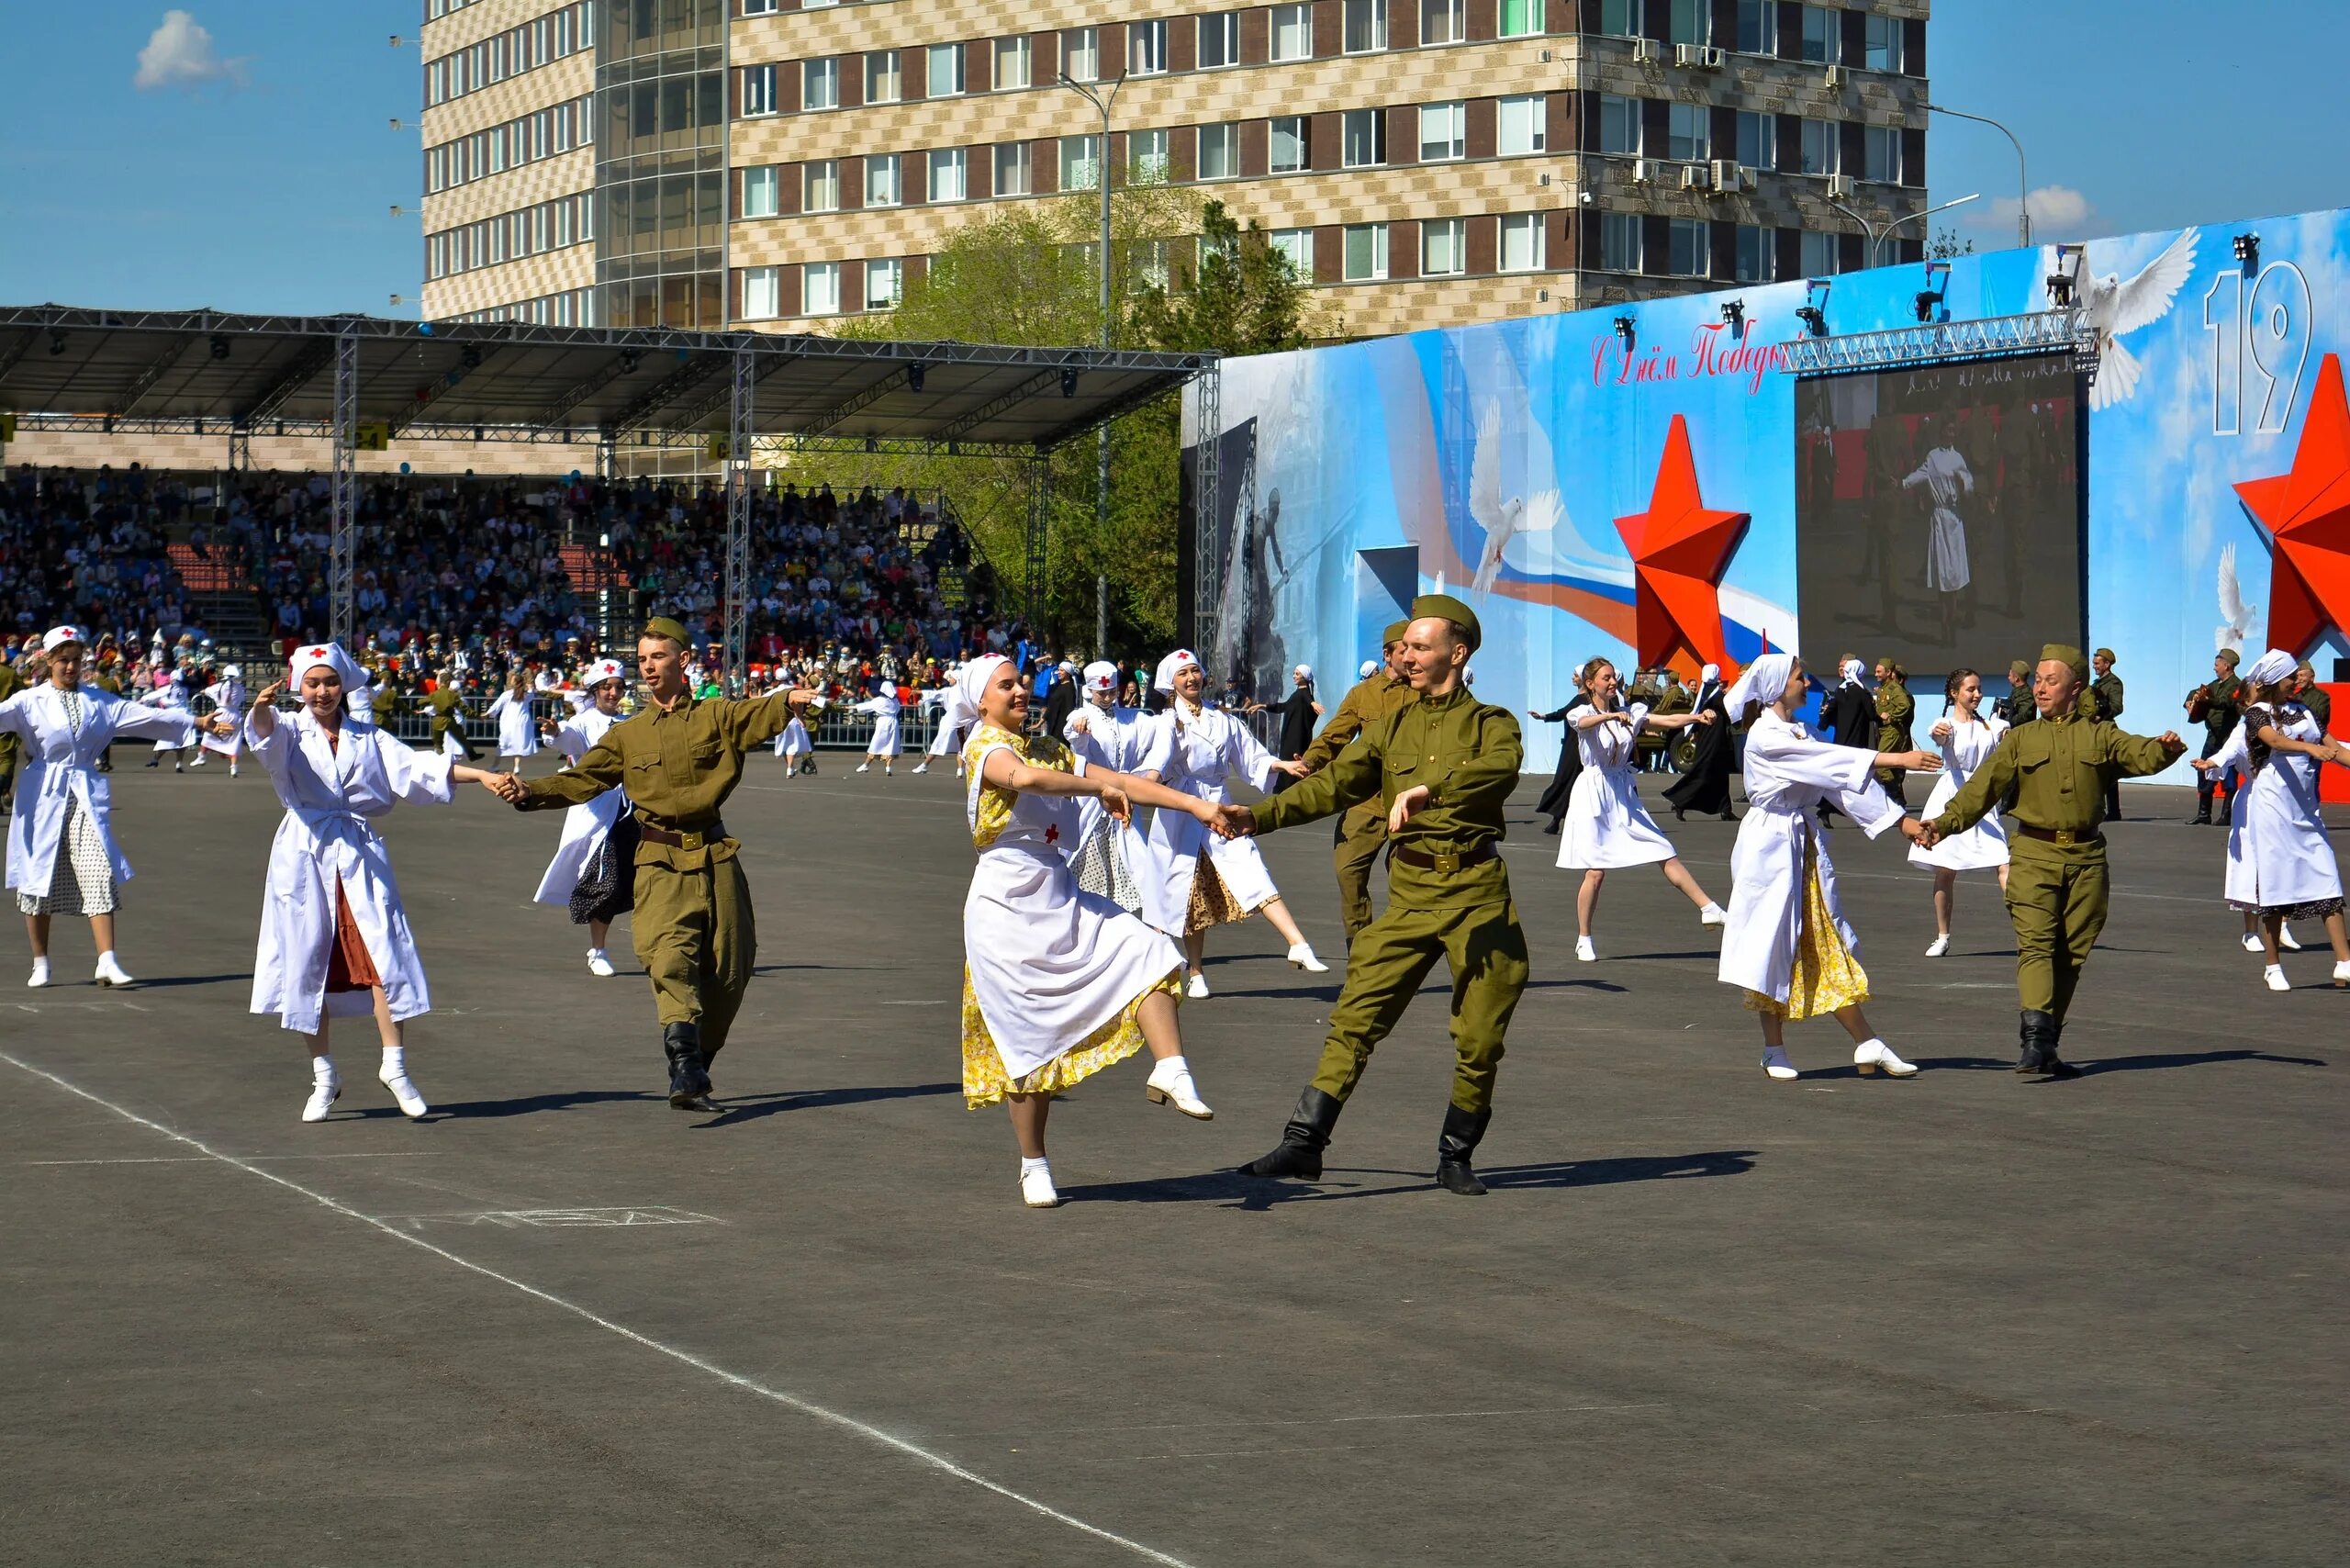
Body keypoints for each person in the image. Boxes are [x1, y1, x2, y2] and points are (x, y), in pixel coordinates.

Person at [1220, 596, 1528, 1196]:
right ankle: (1303, 1144)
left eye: (1418, 646)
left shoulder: (1493, 723)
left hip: (1478, 896)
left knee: (1480, 1037)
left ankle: (1456, 1154)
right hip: (1410, 895)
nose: (1404, 656)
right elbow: (1332, 786)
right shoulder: (1387, 729)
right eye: (1403, 647)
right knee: (1354, 1019)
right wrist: (1259, 818)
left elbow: (1501, 768)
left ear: (1455, 653)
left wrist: (1428, 791)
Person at [494, 618, 817, 1110]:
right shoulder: (629, 735)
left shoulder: (716, 716)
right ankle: (683, 1064)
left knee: (731, 967)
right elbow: (581, 780)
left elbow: (757, 713)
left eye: (657, 657)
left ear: (682, 661)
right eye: (642, 659)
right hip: (658, 861)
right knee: (668, 957)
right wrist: (529, 792)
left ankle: (700, 1061)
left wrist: (789, 700)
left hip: (715, 856)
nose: (647, 666)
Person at [956, 655, 1224, 1208]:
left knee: (1148, 949)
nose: (1020, 690)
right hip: (1004, 907)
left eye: (1021, 682)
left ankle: (1171, 1067)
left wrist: (1197, 806)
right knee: (1026, 1044)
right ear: (982, 700)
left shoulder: (1053, 749)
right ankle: (1034, 1163)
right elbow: (1023, 777)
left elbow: (1124, 782)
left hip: (1059, 891)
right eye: (1006, 685)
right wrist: (1090, 788)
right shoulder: (982, 744)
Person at [245, 644, 509, 1122]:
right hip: (304, 853)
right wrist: (260, 709)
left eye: (329, 682)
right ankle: (324, 1075)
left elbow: (422, 768)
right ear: (298, 688)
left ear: (343, 685)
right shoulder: (288, 730)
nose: (322, 692)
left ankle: (396, 1066)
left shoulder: (369, 737)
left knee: (386, 954)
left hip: (359, 853)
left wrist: (484, 776)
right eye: (312, 683)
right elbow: (264, 741)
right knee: (309, 963)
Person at [1926, 644, 2188, 1078]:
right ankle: (2033, 1041)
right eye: (2038, 680)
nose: (2041, 688)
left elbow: (2139, 754)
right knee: (2035, 945)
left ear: (2075, 688)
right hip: (2033, 854)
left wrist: (2166, 748)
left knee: (2072, 955)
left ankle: (2048, 1044)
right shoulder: (2022, 739)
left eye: (2051, 681)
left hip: (2087, 859)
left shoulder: (2100, 735)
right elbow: (1980, 791)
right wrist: (1942, 824)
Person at [1715, 653, 1941, 1081]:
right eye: (1800, 678)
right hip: (1770, 846)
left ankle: (1866, 1042)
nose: (1806, 683)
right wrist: (1896, 759)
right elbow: (1831, 763)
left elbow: (1837, 780)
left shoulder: (1800, 729)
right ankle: (1774, 1049)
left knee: (1822, 939)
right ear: (1780, 686)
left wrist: (1901, 822)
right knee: (1771, 943)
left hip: (1801, 848)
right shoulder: (1766, 735)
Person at [4, 627, 227, 989]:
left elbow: (147, 717)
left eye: (77, 660)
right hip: (42, 793)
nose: (71, 667)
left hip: (85, 791)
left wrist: (197, 722)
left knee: (98, 869)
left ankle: (107, 960)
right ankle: (40, 961)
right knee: (36, 879)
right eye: (63, 660)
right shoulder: (29, 701)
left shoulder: (99, 701)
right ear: (47, 661)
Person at [1136, 648, 1325, 996]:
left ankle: (1297, 942)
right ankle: (1196, 973)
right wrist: (1134, 787)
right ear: (1171, 683)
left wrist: (1283, 765)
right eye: (1183, 674)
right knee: (1186, 895)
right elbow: (1157, 765)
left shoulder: (1222, 719)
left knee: (1251, 867)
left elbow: (1249, 754)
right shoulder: (1167, 724)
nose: (1191, 678)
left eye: (1195, 671)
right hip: (1183, 810)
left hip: (1221, 806)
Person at [2190, 648, 2350, 991]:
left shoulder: (2305, 711)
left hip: (2305, 811)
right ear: (2276, 681)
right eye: (2291, 677)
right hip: (2271, 809)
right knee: (2275, 887)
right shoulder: (2256, 714)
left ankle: (2344, 962)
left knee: (2328, 880)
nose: (2298, 682)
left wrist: (2337, 755)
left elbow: (2333, 746)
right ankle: (2273, 964)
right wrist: (2310, 750)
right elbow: (2273, 741)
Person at [1554, 656, 1727, 960]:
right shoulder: (1582, 711)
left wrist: (1695, 718)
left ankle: (1708, 908)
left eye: (1613, 678)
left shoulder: (1631, 711)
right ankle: (1584, 937)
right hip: (1594, 792)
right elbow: (1581, 724)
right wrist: (1609, 718)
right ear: (1591, 683)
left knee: (1663, 849)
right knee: (1595, 872)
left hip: (1623, 791)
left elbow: (1665, 721)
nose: (1612, 682)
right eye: (1605, 678)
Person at [1295, 622, 1416, 944]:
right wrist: (1308, 763)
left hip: (1412, 805)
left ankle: (1397, 951)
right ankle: (1360, 951)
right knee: (1349, 872)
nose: (1412, 656)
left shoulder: (1427, 692)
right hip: (1368, 801)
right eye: (1405, 649)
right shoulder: (1364, 694)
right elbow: (1335, 734)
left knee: (1410, 884)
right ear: (1387, 654)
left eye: (1417, 648)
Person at [532, 658, 638, 978]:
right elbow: (567, 739)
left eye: (618, 687)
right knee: (603, 879)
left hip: (632, 809)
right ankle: (598, 949)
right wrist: (554, 732)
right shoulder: (583, 721)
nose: (613, 692)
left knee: (643, 881)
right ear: (595, 690)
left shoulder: (629, 722)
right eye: (607, 687)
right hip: (596, 811)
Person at [1909, 669, 2010, 957]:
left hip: (1981, 799)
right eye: (1970, 689)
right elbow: (1937, 733)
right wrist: (1937, 733)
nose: (1977, 694)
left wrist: (2009, 734)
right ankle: (1942, 936)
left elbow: (2005, 737)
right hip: (1952, 796)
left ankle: (2030, 933)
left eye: (1979, 689)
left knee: (2004, 863)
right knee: (1945, 871)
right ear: (1955, 694)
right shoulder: (1946, 724)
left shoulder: (1992, 726)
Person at [1062, 659, 1158, 913]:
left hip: (1123, 799)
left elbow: (1157, 728)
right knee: (1084, 862)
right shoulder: (1083, 715)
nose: (1106, 697)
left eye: (1111, 692)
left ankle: (1148, 928)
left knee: (1137, 862)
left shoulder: (1130, 717)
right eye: (1101, 692)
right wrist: (1078, 728)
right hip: (1093, 801)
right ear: (1089, 692)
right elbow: (1074, 733)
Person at [1664, 661, 1737, 822]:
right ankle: (1679, 801)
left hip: (1709, 738)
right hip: (1714, 740)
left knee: (1720, 774)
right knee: (1705, 772)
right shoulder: (1716, 694)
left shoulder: (1705, 692)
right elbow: (1728, 711)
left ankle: (1725, 809)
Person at [2186, 650, 2245, 825]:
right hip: (2212, 735)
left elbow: (2226, 702)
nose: (2214, 668)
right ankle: (2204, 814)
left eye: (2217, 664)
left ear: (2226, 665)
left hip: (2228, 736)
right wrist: (2191, 700)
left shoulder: (2237, 685)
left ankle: (2226, 815)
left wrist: (2206, 699)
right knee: (2203, 770)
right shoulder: (2215, 684)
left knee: (2229, 776)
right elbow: (2195, 692)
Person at [1816, 656, 1876, 823]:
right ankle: (1858, 812)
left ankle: (1827, 807)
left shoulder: (1841, 690)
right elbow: (1872, 715)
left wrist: (1820, 728)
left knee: (1841, 775)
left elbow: (1830, 711)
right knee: (1858, 775)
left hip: (1841, 739)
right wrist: (1882, 716)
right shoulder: (1862, 692)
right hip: (1857, 739)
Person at [1270, 665, 1324, 789]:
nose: (1294, 676)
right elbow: (1283, 707)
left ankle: (1291, 791)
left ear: (1304, 677)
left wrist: (1313, 703)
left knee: (1293, 765)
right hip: (1290, 738)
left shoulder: (1303, 694)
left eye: (1297, 674)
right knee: (1289, 765)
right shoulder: (1297, 694)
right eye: (1294, 673)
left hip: (1296, 740)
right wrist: (1262, 706)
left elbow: (1307, 698)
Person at [192, 664, 248, 778]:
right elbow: (242, 698)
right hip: (234, 714)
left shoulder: (218, 686)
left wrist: (202, 691)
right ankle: (233, 768)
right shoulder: (240, 688)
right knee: (234, 741)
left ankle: (202, 756)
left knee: (209, 733)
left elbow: (206, 691)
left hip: (221, 713)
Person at [1872, 658, 1915, 806]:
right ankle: (1896, 800)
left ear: (1888, 672)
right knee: (1892, 766)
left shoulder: (1894, 689)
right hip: (1884, 731)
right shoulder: (1884, 688)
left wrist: (1892, 718)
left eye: (1879, 671)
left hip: (1892, 731)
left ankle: (1895, 795)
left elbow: (1905, 705)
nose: (1875, 674)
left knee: (1881, 764)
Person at [2090, 648, 2127, 818]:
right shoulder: (2096, 684)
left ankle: (2113, 810)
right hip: (2093, 729)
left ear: (2107, 664)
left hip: (2105, 728)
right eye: (2094, 663)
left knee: (2108, 771)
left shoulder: (2114, 683)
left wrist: (2101, 714)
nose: (2094, 666)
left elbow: (2117, 706)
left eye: (2097, 663)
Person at [487, 668, 539, 774]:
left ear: (514, 682)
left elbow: (496, 706)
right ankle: (516, 767)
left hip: (509, 722)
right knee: (518, 744)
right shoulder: (526, 695)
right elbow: (532, 693)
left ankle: (494, 766)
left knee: (503, 744)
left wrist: (487, 714)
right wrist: (530, 688)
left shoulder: (507, 694)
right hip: (522, 722)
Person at [852, 679, 901, 776]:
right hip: (893, 722)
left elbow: (865, 706)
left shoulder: (879, 700)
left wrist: (852, 707)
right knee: (891, 745)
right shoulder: (895, 700)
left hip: (883, 722)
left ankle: (866, 764)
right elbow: (898, 709)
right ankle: (888, 768)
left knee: (876, 743)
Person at [425, 674, 477, 760]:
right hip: (452, 723)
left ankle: (449, 761)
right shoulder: (459, 699)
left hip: (452, 722)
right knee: (449, 744)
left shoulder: (457, 699)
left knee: (451, 744)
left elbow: (435, 708)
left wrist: (428, 710)